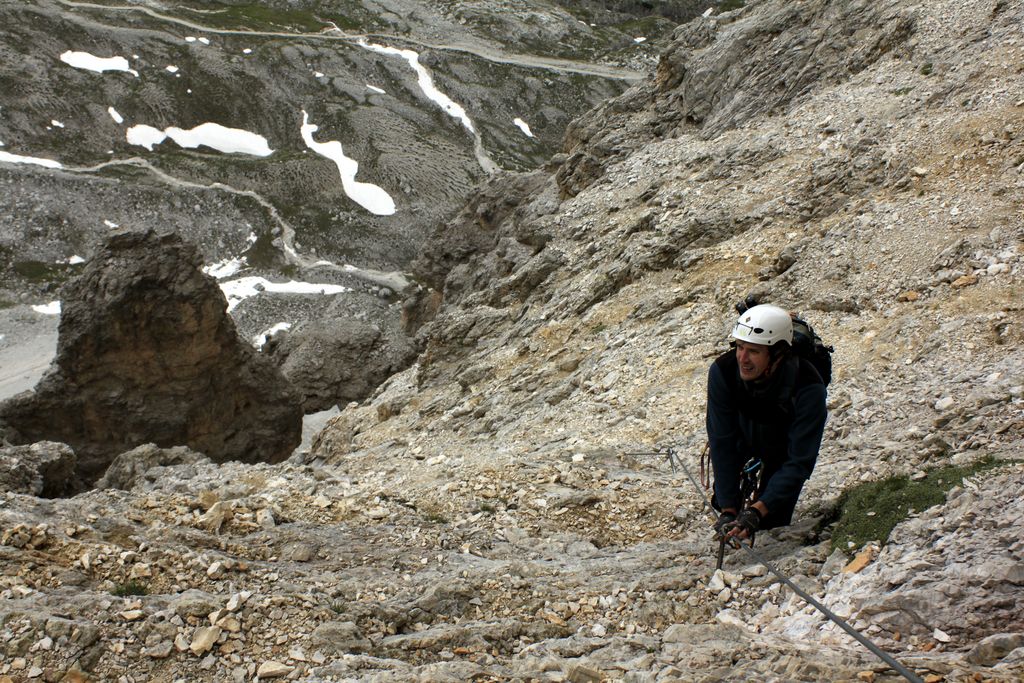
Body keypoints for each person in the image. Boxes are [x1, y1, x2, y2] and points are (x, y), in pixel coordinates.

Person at [706, 303, 828, 540]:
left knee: (772, 523)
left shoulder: (809, 386)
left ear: (779, 354)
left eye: (753, 351)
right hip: (742, 433)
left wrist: (757, 510)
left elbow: (800, 461)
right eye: (739, 347)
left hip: (782, 447)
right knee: (724, 500)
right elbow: (722, 442)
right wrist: (728, 509)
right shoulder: (723, 370)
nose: (743, 358)